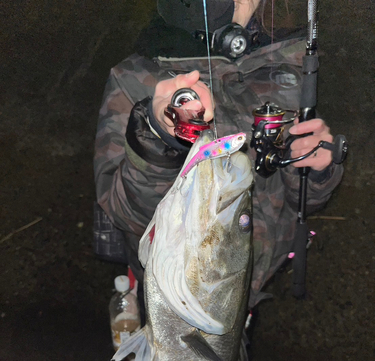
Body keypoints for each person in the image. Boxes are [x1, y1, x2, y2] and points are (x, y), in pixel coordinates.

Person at [94, 0, 344, 320]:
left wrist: (317, 169)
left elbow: (303, 202)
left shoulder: (286, 65)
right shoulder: (133, 77)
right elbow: (126, 213)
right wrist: (158, 136)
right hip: (177, 289)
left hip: (251, 277)